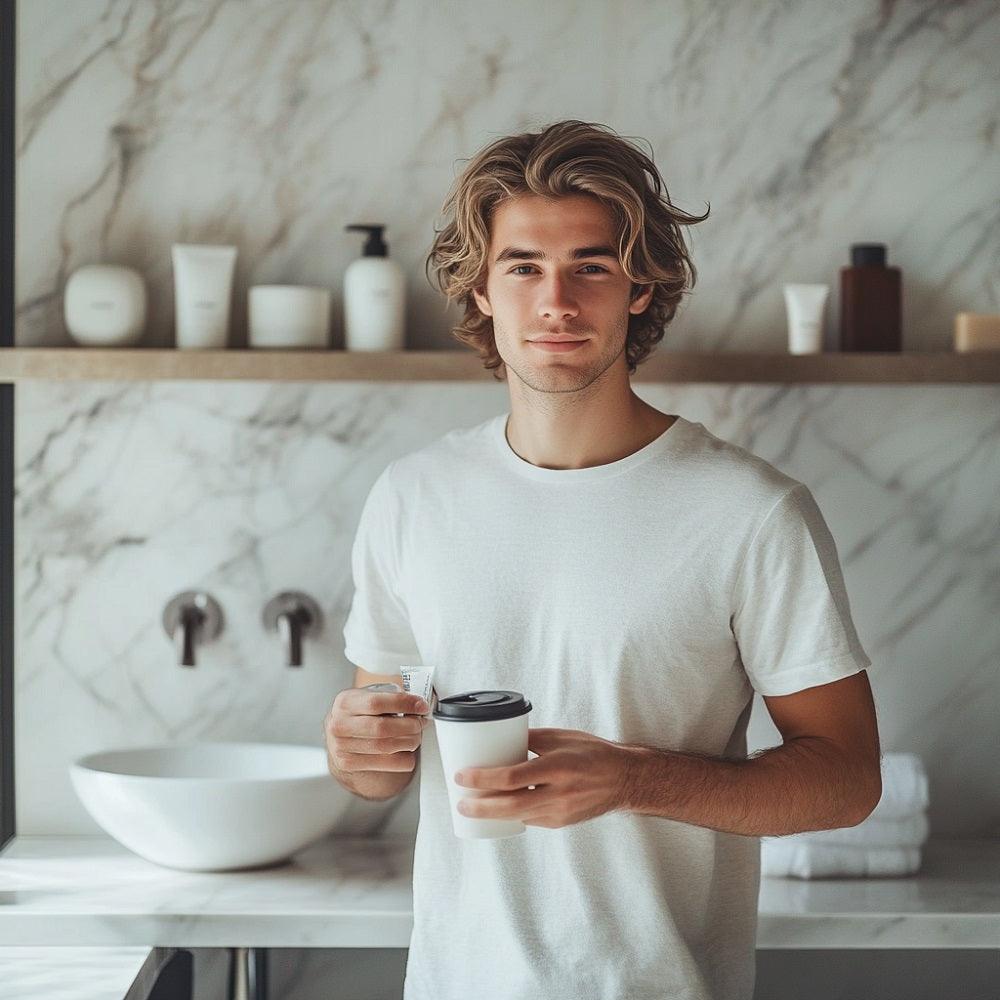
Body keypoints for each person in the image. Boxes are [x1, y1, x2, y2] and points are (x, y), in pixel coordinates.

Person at [324, 120, 881, 1000]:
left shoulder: (750, 513)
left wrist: (632, 780)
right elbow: (374, 761)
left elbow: (846, 782)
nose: (556, 300)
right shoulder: (410, 497)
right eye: (523, 267)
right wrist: (355, 746)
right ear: (479, 290)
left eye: (591, 265)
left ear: (640, 288)